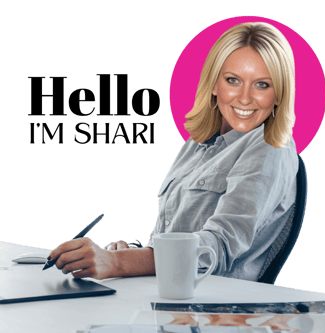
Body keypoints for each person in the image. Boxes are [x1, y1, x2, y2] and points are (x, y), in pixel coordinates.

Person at [48, 22, 298, 281]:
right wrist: (135, 256)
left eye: (262, 85)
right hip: (167, 292)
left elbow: (219, 247)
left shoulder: (270, 147)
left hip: (213, 309)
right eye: (233, 80)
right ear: (214, 84)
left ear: (279, 93)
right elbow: (168, 238)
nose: (245, 98)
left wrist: (117, 262)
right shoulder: (198, 143)